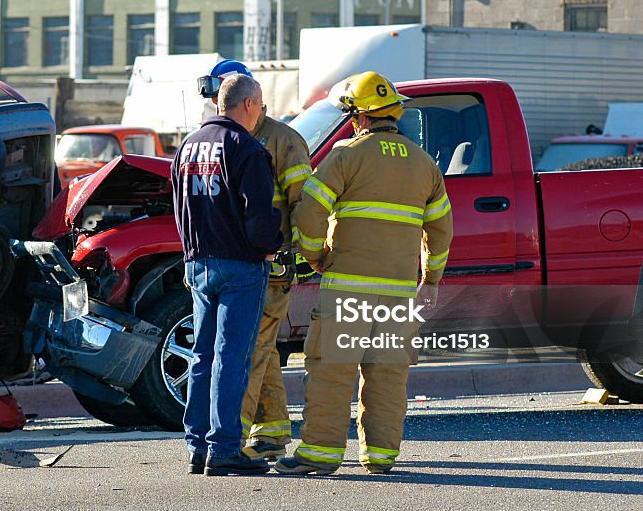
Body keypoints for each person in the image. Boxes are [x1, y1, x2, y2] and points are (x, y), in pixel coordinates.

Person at [275, 71, 453, 475]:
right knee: (388, 373)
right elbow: (441, 228)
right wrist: (432, 279)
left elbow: (309, 211)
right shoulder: (425, 165)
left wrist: (316, 256)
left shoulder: (345, 155)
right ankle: (381, 456)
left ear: (360, 118)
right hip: (399, 293)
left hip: (347, 289)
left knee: (332, 370)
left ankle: (319, 455)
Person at [197, 59, 312, 460]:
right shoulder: (222, 139)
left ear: (250, 100)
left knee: (248, 350)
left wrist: (297, 256)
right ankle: (274, 432)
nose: (217, 107)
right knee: (257, 348)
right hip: (236, 263)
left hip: (271, 265)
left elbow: (304, 204)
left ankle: (233, 442)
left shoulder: (282, 140)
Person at [172, 73, 284, 477]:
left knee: (202, 356)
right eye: (261, 107)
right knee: (231, 358)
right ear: (249, 105)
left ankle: (196, 446)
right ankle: (223, 449)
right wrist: (273, 242)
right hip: (241, 266)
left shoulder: (187, 146)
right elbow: (259, 218)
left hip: (198, 263)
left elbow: (179, 207)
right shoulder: (247, 148)